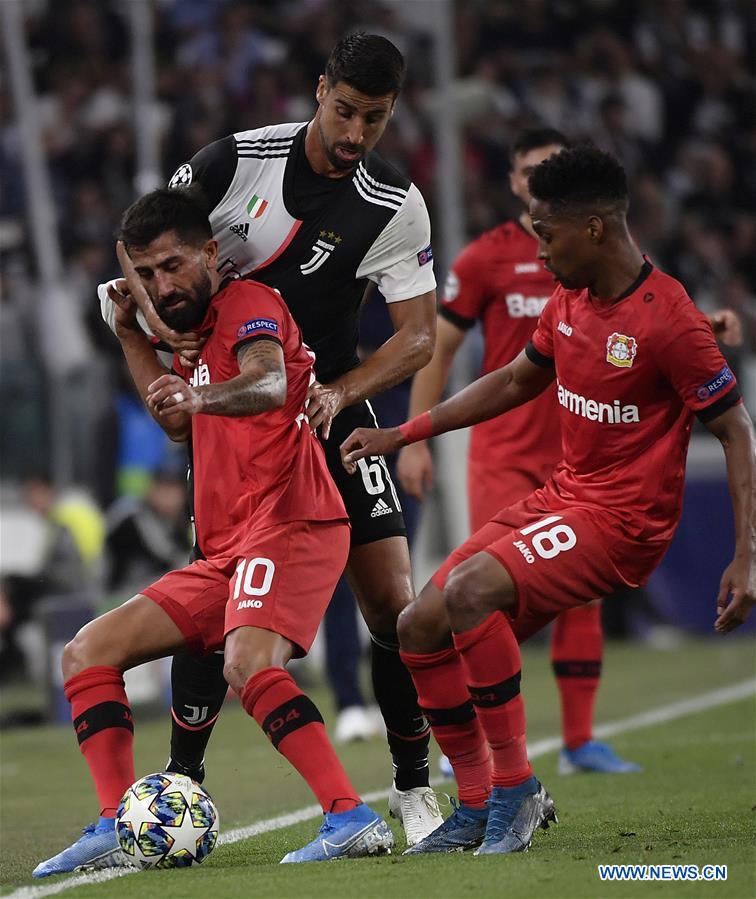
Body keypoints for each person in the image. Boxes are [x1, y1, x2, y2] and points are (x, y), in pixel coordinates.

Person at [340, 145, 755, 856]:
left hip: (625, 522)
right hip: (565, 495)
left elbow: (736, 429)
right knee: (417, 624)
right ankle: (477, 803)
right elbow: (512, 380)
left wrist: (746, 554)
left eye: (548, 233)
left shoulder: (669, 320)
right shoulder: (570, 299)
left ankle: (517, 789)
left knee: (470, 591)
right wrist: (403, 432)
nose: (539, 250)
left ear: (594, 228)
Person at [99, 32, 442, 844]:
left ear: (392, 113)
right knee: (210, 600)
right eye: (345, 110)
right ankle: (182, 783)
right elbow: (139, 244)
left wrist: (340, 393)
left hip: (330, 409)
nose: (355, 133)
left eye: (375, 118)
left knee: (393, 607)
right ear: (320, 90)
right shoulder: (233, 163)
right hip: (235, 414)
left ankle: (414, 787)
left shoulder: (395, 203)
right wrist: (164, 331)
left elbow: (420, 336)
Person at [34, 189, 393, 877]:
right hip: (227, 548)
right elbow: (175, 420)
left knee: (247, 663)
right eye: (147, 273)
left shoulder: (250, 305)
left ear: (208, 253)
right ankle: (113, 822)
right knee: (86, 653)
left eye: (172, 266)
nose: (162, 285)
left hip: (292, 521)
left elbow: (266, 383)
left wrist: (197, 393)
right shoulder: (189, 337)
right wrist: (132, 336)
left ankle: (350, 815)